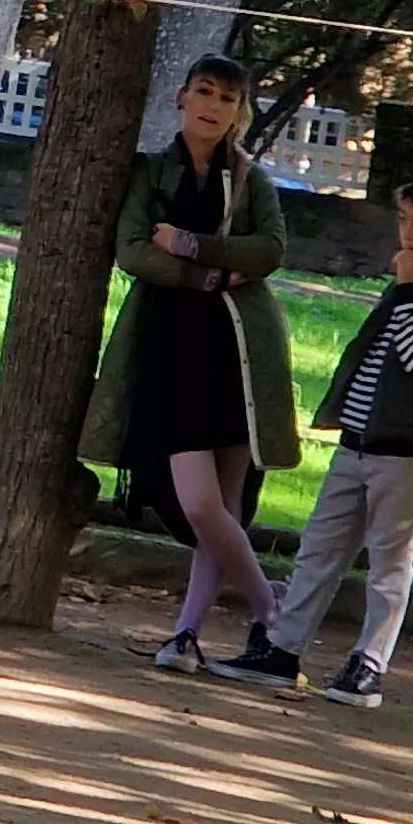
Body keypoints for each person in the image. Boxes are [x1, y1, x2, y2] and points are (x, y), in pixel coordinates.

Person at [209, 172, 413, 707]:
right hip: (359, 439)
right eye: (403, 220)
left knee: (389, 559)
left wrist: (410, 287)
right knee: (319, 548)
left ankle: (369, 664)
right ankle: (282, 649)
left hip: (409, 451)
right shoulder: (408, 282)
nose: (407, 234)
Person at [81, 55, 303, 676]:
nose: (213, 105)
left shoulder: (250, 179)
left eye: (227, 98)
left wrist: (186, 244)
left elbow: (272, 249)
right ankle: (272, 611)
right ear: (182, 98)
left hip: (238, 351)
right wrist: (211, 273)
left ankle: (184, 636)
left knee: (226, 507)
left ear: (240, 111)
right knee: (200, 504)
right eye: (203, 91)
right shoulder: (153, 173)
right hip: (170, 349)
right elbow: (131, 251)